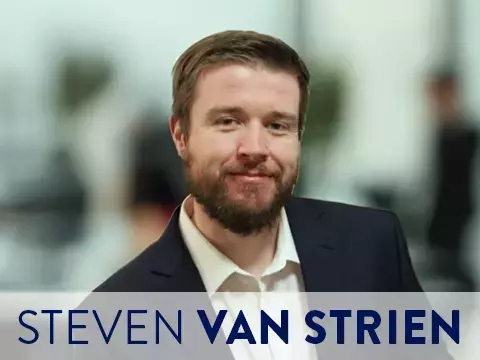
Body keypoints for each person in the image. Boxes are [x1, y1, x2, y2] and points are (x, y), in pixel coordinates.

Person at [90, 30, 452, 360]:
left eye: (277, 125)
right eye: (228, 121)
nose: (255, 148)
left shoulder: (373, 247)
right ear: (180, 135)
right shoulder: (112, 320)